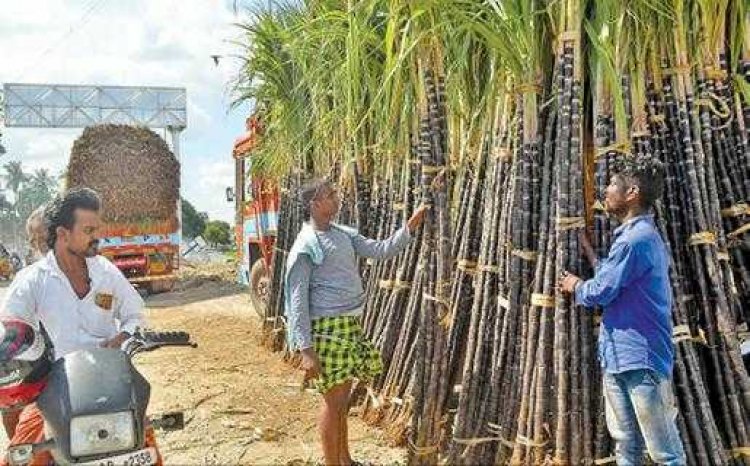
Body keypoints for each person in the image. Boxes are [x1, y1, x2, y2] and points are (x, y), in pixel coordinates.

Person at [0, 188, 160, 466]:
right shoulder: (32, 280)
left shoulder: (106, 271)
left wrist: (122, 338)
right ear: (63, 234)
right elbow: (11, 331)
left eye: (97, 228)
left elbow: (135, 313)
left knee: (149, 452)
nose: (97, 236)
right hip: (53, 390)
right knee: (17, 456)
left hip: (112, 384)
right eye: (89, 229)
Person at [285, 178, 427, 466]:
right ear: (315, 204)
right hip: (326, 329)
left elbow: (381, 250)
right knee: (332, 403)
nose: (336, 198)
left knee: (341, 402)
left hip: (348, 325)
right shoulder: (307, 244)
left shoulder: (343, 234)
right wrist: (306, 349)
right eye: (329, 195)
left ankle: (345, 460)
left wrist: (410, 226)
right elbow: (297, 298)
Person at [559, 154, 686, 465]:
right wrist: (592, 258)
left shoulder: (636, 240)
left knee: (665, 452)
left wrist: (576, 285)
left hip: (641, 359)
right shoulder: (632, 240)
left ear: (632, 193)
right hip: (618, 358)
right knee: (625, 445)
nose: (606, 190)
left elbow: (602, 291)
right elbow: (616, 277)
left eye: (613, 184)